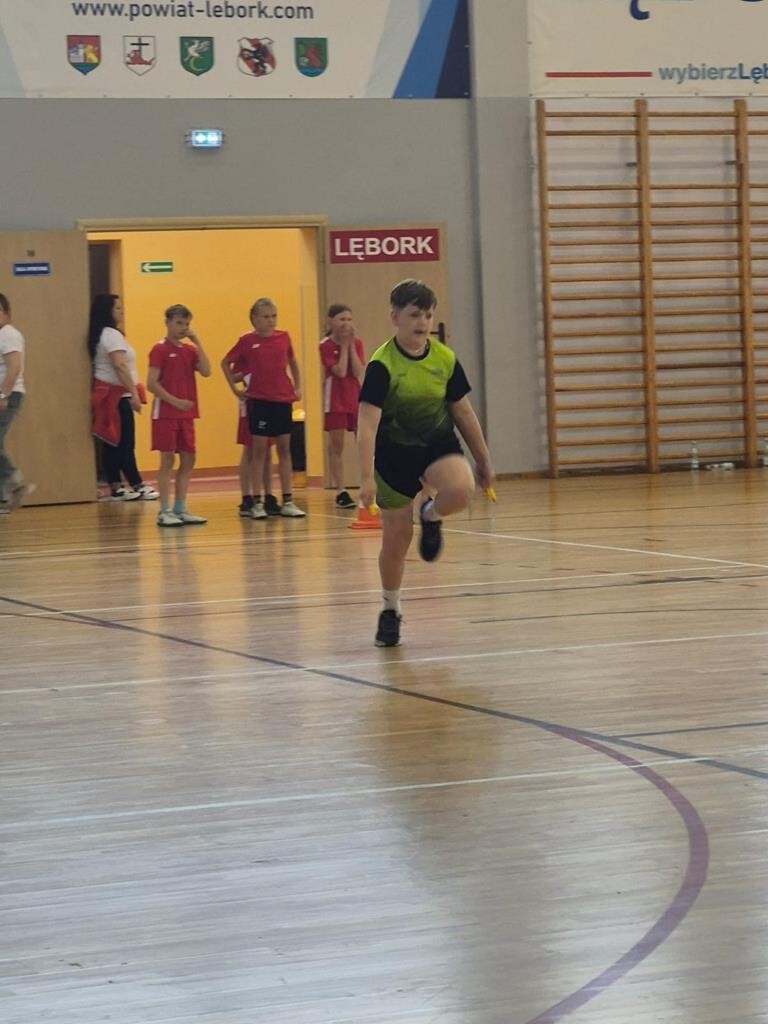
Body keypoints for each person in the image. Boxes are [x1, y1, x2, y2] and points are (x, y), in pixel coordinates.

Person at [357, 279, 495, 648]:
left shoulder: (444, 359)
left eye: (428, 315)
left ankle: (430, 515)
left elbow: (463, 412)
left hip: (435, 443)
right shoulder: (382, 365)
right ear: (395, 317)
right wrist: (366, 478)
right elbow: (366, 423)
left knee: (461, 489)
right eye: (415, 314)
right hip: (393, 453)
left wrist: (483, 459)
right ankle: (390, 609)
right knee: (397, 538)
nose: (423, 322)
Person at [221, 298, 306, 519]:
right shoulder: (247, 341)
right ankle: (256, 502)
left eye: (273, 316)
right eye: (266, 317)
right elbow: (225, 363)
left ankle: (288, 500)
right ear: (254, 319)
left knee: (284, 450)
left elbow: (293, 362)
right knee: (258, 451)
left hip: (283, 401)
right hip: (259, 402)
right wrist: (235, 389)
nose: (271, 321)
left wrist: (298, 386)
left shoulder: (283, 337)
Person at [88, 293, 158, 502]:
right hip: (117, 396)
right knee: (125, 443)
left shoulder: (101, 334)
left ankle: (116, 486)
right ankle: (137, 483)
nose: (121, 312)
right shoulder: (111, 335)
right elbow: (120, 365)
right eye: (117, 308)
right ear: (107, 311)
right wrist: (133, 392)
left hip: (108, 394)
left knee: (112, 443)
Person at [147, 304, 211, 527]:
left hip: (186, 414)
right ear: (167, 323)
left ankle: (180, 508)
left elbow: (206, 371)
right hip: (165, 413)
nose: (183, 327)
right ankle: (164, 510)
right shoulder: (159, 349)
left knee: (189, 458)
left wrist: (198, 342)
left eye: (186, 323)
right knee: (167, 459)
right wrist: (175, 401)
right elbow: (151, 383)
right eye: (178, 323)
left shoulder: (189, 350)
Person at [319, 303, 365, 509]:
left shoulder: (358, 343)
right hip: (335, 399)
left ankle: (368, 484)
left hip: (354, 397)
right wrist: (344, 346)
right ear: (331, 321)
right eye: (341, 319)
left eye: (349, 319)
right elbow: (339, 370)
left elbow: (357, 371)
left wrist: (351, 345)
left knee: (363, 442)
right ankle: (341, 490)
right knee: (337, 446)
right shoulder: (325, 345)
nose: (346, 324)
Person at [225, 363, 281, 518]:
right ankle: (246, 498)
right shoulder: (246, 350)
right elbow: (233, 374)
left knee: (268, 450)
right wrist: (238, 386)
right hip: (251, 403)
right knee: (250, 449)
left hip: (270, 401)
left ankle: (268, 496)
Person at [0, 294, 34, 512]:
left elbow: (14, 366)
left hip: (9, 395)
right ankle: (5, 495)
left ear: (6, 313)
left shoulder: (8, 334)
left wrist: (3, 395)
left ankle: (15, 482)